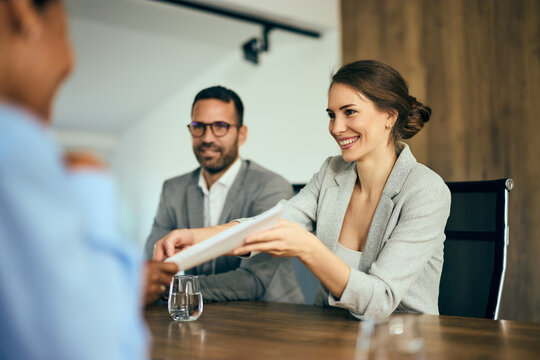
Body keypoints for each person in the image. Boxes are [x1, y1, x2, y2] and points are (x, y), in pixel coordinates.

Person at [154, 60, 452, 320]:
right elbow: (273, 223)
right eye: (331, 114)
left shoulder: (425, 191)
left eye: (349, 112)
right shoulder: (332, 171)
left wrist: (308, 248)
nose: (336, 127)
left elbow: (380, 301)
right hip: (332, 336)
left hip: (406, 342)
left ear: (390, 115)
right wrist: (195, 237)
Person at [0, 0, 149, 358]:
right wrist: (91, 188)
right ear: (21, 10)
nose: (70, 60)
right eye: (64, 33)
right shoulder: (15, 147)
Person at [143, 86, 303, 303]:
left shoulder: (271, 186)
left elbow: (253, 281)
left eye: (220, 126)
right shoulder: (173, 189)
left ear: (242, 134)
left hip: (271, 319)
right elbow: (153, 262)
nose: (207, 138)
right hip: (201, 318)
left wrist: (174, 291)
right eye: (198, 126)